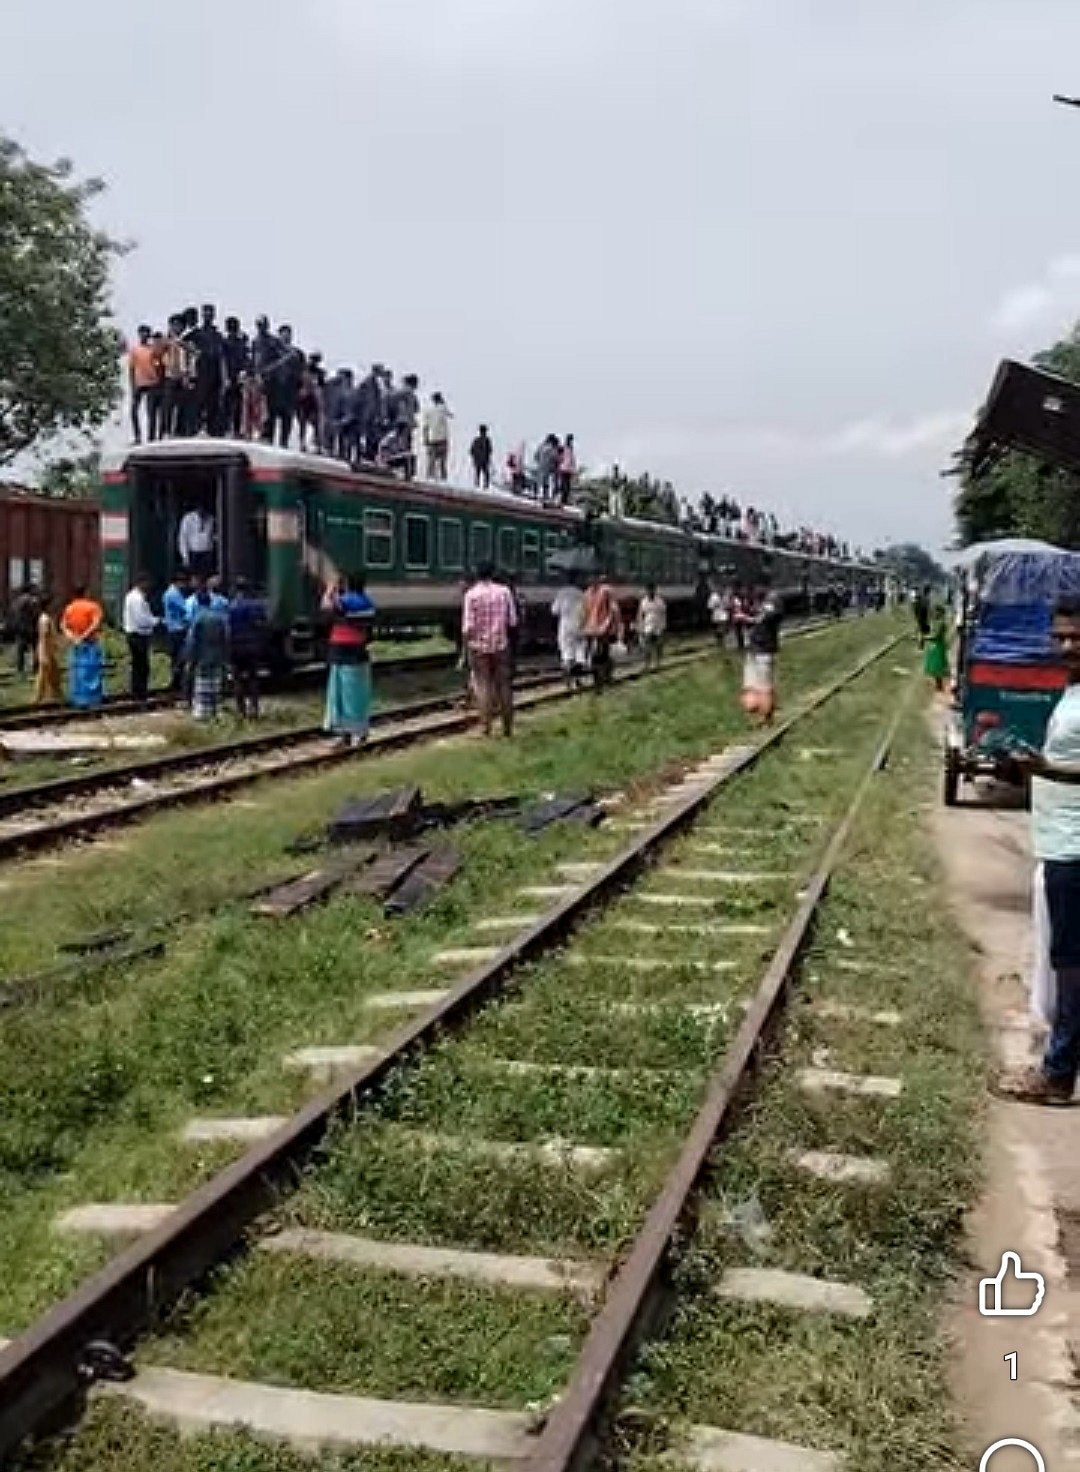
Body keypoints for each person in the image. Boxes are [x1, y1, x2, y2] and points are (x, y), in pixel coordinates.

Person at [1003, 600, 1080, 1104]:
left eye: (1076, 637)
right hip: (1059, 840)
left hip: (1076, 848)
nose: (1066, 646)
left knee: (1072, 964)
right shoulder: (1072, 690)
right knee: (1064, 960)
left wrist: (1044, 769)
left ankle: (1057, 1075)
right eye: (1061, 637)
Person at [462, 560, 517, 736]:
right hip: (501, 645)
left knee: (483, 685)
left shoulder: (471, 595)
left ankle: (486, 728)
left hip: (478, 647)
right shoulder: (504, 592)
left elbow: (468, 627)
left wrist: (465, 650)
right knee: (504, 685)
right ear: (493, 573)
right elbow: (512, 621)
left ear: (476, 574)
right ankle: (507, 728)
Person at [322, 575, 376, 745]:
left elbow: (326, 607)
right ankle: (361, 732)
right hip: (358, 652)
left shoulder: (349, 600)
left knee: (341, 695)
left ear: (347, 585)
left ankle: (346, 735)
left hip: (342, 652)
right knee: (358, 695)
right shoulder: (367, 602)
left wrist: (329, 590)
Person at [186, 587, 229, 721]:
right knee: (216, 684)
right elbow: (226, 637)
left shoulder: (197, 619)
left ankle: (203, 713)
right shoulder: (219, 618)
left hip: (202, 657)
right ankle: (216, 710)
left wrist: (190, 659)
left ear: (198, 602)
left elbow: (192, 641)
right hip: (217, 656)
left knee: (203, 685)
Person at [228, 577, 268, 719]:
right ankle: (254, 708)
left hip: (235, 646)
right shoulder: (256, 605)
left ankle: (241, 710)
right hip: (252, 646)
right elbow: (262, 624)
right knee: (253, 678)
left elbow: (228, 627)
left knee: (237, 678)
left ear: (235, 589)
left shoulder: (231, 606)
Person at [741, 587, 782, 725]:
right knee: (750, 685)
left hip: (764, 650)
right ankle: (756, 713)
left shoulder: (773, 603)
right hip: (753, 650)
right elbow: (755, 620)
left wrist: (750, 616)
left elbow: (765, 618)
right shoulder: (757, 604)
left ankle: (767, 716)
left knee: (764, 685)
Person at [60, 584, 105, 709]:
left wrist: (73, 637)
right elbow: (95, 623)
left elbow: (63, 625)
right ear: (86, 593)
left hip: (76, 645)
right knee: (92, 672)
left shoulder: (69, 608)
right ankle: (92, 700)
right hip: (90, 643)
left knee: (77, 672)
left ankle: (78, 699)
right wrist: (84, 636)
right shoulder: (93, 607)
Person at [188, 304, 226, 435]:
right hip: (201, 370)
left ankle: (212, 430)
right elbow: (180, 342)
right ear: (202, 315)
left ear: (214, 315)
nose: (208, 315)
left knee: (214, 402)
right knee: (199, 401)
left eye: (210, 313)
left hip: (215, 371)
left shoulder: (218, 335)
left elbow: (222, 357)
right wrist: (194, 351)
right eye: (206, 313)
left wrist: (224, 377)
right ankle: (198, 428)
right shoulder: (196, 333)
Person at [122, 572, 159, 703]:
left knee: (138, 665)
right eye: (147, 583)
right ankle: (140, 693)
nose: (149, 586)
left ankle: (138, 693)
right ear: (141, 583)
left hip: (134, 634)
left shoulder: (131, 596)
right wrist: (155, 621)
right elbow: (141, 619)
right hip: (139, 635)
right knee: (142, 666)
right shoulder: (137, 599)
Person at [582, 572, 621, 690]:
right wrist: (583, 627)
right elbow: (584, 612)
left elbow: (613, 610)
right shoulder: (586, 594)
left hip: (603, 629)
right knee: (596, 656)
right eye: (590, 578)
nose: (592, 580)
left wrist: (610, 626)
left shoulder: (606, 591)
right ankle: (599, 681)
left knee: (602, 654)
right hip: (591, 629)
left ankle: (604, 678)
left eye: (594, 577)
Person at [129, 324, 163, 444]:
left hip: (152, 382)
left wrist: (158, 380)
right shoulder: (135, 349)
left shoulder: (153, 349)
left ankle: (151, 437)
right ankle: (137, 436)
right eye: (142, 333)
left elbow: (159, 365)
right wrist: (132, 385)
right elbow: (131, 368)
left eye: (146, 333)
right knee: (134, 411)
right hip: (139, 382)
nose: (144, 335)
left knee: (151, 411)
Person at [551, 575, 587, 686]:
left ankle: (568, 679)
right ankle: (578, 679)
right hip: (579, 625)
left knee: (566, 652)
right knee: (579, 652)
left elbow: (554, 611)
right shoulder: (581, 594)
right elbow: (586, 611)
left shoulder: (561, 593)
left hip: (565, 626)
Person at [162, 570, 191, 694]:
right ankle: (177, 683)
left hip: (173, 629)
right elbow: (185, 608)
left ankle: (177, 683)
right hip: (177, 630)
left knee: (177, 657)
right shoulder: (173, 594)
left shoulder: (171, 593)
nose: (184, 585)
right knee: (179, 657)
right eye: (183, 582)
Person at [221, 317, 251, 438]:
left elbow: (245, 359)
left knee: (239, 404)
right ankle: (226, 428)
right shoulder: (224, 342)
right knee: (226, 404)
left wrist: (244, 372)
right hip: (228, 376)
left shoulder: (241, 343)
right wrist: (225, 377)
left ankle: (237, 430)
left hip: (239, 377)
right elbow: (223, 360)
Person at [33, 594, 62, 705]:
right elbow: (44, 636)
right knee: (43, 675)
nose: (53, 606)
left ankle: (56, 695)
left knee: (54, 674)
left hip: (48, 650)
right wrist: (45, 652)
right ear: (47, 605)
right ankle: (38, 697)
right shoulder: (45, 619)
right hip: (46, 650)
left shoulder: (45, 617)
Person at [636, 580, 667, 671]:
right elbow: (640, 614)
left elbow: (663, 614)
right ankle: (647, 664)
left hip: (658, 627)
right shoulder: (643, 601)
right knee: (647, 647)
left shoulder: (660, 601)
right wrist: (640, 626)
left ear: (654, 590)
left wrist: (663, 626)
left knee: (658, 646)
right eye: (648, 590)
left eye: (651, 590)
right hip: (648, 626)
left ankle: (658, 663)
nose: (650, 592)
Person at [10, 583, 40, 677]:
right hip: (29, 626)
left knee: (20, 649)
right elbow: (35, 613)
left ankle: (20, 669)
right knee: (35, 647)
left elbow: (13, 613)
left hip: (18, 626)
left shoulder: (16, 601)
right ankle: (35, 667)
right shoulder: (31, 600)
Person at [178, 505, 215, 578]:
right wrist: (185, 556)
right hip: (194, 553)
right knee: (194, 577)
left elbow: (213, 535)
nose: (201, 510)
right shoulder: (188, 519)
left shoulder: (211, 519)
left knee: (206, 576)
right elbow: (183, 538)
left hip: (207, 552)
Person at [424, 392, 452, 481]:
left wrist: (425, 438)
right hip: (442, 438)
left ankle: (429, 478)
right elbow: (451, 415)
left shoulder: (428, 411)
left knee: (431, 462)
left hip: (432, 438)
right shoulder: (443, 408)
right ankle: (443, 479)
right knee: (442, 462)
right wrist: (443, 402)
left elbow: (425, 427)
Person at [923, 599, 949, 694]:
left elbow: (936, 635)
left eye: (936, 611)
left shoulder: (940, 623)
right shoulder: (938, 622)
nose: (934, 613)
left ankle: (939, 686)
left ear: (940, 613)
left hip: (937, 645)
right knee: (936, 666)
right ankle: (938, 685)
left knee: (937, 666)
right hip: (936, 644)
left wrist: (925, 637)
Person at [470, 425, 494, 490]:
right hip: (482, 460)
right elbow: (490, 450)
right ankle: (482, 485)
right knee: (482, 473)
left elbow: (472, 451)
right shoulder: (485, 440)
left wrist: (474, 457)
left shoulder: (480, 440)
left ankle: (481, 485)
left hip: (481, 460)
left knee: (481, 473)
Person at [557, 434, 577, 505]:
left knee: (567, 486)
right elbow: (559, 457)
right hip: (564, 469)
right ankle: (562, 499)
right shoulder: (563, 448)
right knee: (564, 485)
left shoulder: (571, 449)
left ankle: (565, 500)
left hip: (568, 469)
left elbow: (572, 460)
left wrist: (573, 468)